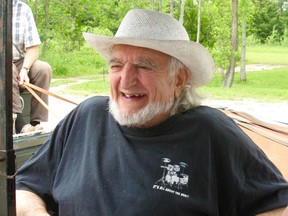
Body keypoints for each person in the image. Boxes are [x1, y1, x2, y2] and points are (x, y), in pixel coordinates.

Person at [16, 9, 288, 215]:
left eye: (144, 67)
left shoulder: (210, 131)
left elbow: (277, 205)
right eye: (116, 66)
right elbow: (25, 187)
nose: (126, 79)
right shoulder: (86, 118)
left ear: (179, 80)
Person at [12, 0, 52, 134]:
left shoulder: (23, 9)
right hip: (3, 63)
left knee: (43, 69)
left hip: (20, 60)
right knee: (7, 68)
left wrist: (25, 69)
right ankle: (19, 123)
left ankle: (35, 123)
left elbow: (33, 47)